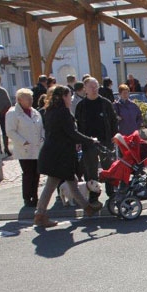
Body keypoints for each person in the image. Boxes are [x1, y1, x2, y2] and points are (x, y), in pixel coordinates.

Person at [34, 86, 100, 227]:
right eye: (69, 95)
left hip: (55, 153)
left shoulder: (50, 110)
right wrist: (90, 140)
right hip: (60, 155)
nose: (71, 98)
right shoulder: (62, 112)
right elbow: (72, 133)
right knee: (52, 185)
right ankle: (40, 215)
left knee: (72, 181)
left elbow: (64, 133)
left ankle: (87, 208)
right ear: (63, 96)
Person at [74, 77, 118, 205]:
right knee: (90, 170)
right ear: (85, 89)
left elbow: (113, 121)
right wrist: (78, 141)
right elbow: (78, 125)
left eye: (96, 86)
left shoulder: (105, 103)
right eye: (91, 87)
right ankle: (93, 197)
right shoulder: (81, 106)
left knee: (108, 168)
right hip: (88, 143)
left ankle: (111, 193)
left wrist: (115, 136)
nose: (94, 89)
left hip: (105, 141)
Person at [6, 88, 44, 207]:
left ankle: (35, 196)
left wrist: (42, 138)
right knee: (28, 173)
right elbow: (10, 131)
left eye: (31, 98)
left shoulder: (35, 112)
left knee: (36, 173)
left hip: (36, 147)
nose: (30, 101)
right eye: (27, 99)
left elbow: (41, 127)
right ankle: (27, 197)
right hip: (24, 149)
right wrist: (23, 142)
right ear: (19, 100)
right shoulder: (13, 113)